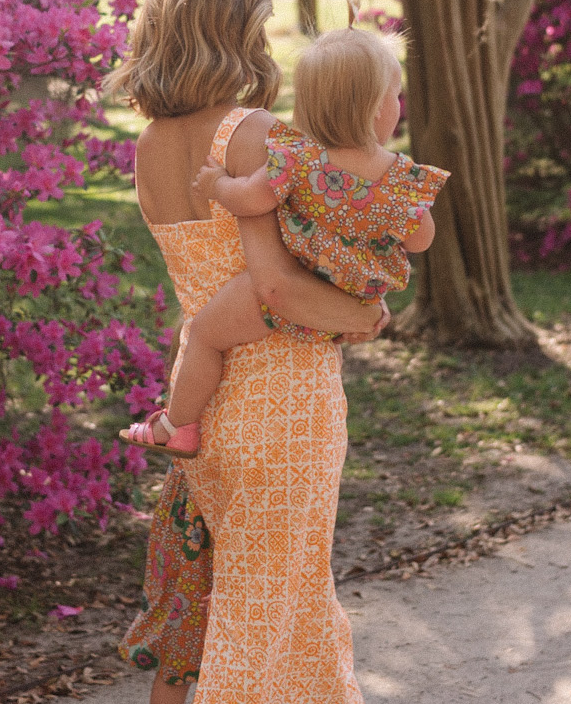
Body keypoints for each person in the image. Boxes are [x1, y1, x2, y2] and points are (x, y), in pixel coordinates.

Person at [106, 0, 441, 704]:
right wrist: (370, 319)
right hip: (281, 406)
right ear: (235, 28)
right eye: (257, 19)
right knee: (260, 623)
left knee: (292, 601)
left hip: (209, 408)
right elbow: (282, 290)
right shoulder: (251, 131)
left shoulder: (152, 143)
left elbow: (214, 288)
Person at [119, 24, 449, 453]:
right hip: (351, 291)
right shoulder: (401, 178)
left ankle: (176, 425)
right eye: (396, 96)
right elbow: (422, 239)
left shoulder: (298, 159)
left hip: (294, 281)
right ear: (376, 108)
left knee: (203, 334)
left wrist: (218, 185)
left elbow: (253, 199)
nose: (398, 106)